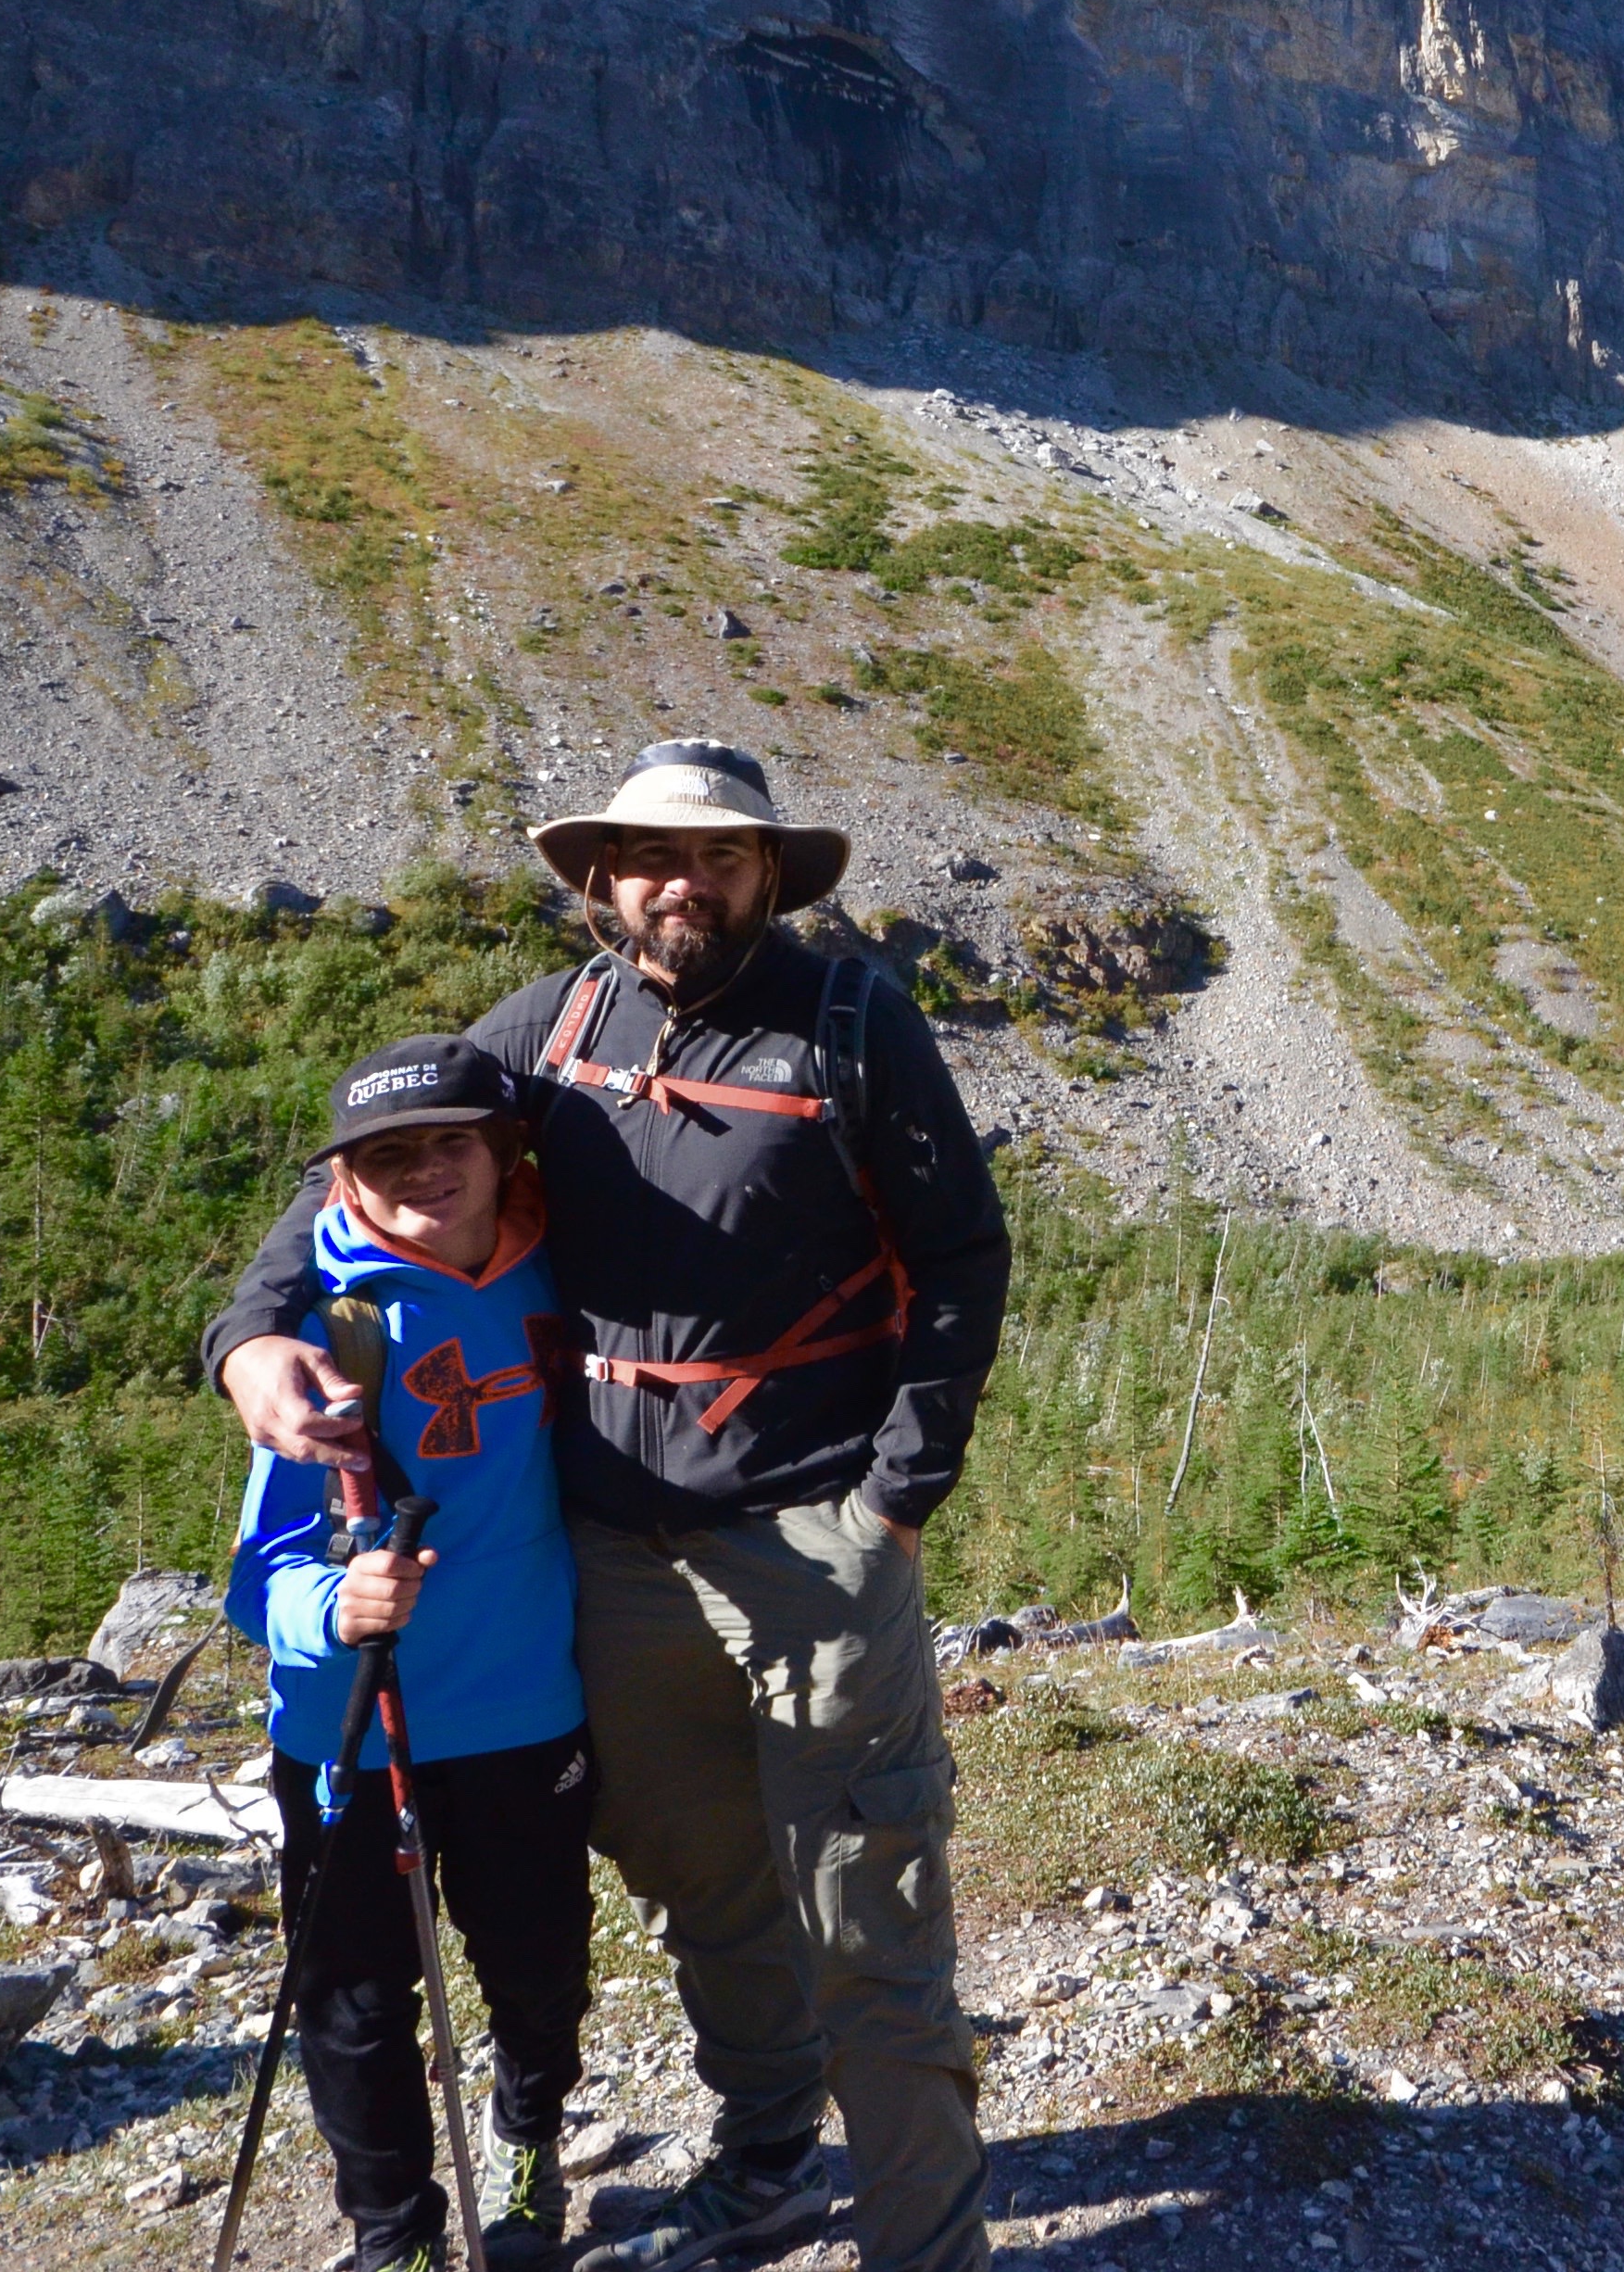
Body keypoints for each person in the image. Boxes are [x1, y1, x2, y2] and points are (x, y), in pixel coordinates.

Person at [208, 743, 1011, 2272]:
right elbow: (362, 1176)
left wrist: (898, 1500)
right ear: (600, 878)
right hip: (615, 1563)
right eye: (647, 856)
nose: (679, 883)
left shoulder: (853, 1021)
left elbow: (962, 1257)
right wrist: (248, 1337)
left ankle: (929, 2248)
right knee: (701, 1882)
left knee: (868, 1918)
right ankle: (773, 2153)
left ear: (769, 873)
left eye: (716, 857)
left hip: (811, 1547)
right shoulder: (555, 1025)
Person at [227, 1033, 597, 2272]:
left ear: (503, 1154)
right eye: (388, 1154)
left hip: (526, 1702)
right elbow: (256, 1577)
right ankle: (397, 2242)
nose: (424, 1173)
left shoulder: (566, 1275)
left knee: (541, 1972)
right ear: (346, 1178)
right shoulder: (322, 1329)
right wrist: (334, 1611)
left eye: (450, 1143)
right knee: (356, 2007)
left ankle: (530, 2144)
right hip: (348, 1728)